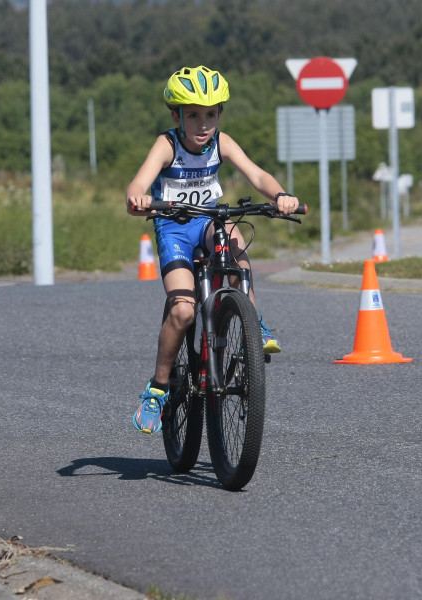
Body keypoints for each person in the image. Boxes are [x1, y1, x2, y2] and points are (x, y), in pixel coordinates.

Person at [125, 65, 300, 434]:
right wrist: (137, 197)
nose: (203, 124)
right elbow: (140, 181)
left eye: (210, 114)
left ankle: (254, 322)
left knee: (236, 242)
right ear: (177, 116)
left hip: (207, 221)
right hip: (173, 226)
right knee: (184, 311)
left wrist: (281, 196)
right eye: (192, 115)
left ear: (220, 114)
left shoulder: (222, 142)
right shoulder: (167, 144)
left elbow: (257, 175)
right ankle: (156, 390)